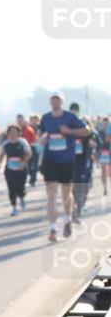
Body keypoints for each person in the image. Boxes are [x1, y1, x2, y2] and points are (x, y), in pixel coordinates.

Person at [39, 91, 91, 241]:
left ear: (62, 102)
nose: (55, 101)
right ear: (50, 102)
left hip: (66, 160)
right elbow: (42, 134)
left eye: (58, 99)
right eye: (53, 99)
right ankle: (53, 228)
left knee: (66, 194)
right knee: (51, 194)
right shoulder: (46, 118)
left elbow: (87, 131)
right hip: (50, 159)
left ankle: (68, 219)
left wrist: (70, 131)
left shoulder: (70, 117)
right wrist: (43, 139)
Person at [0, 124, 32, 215]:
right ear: (8, 133)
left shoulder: (22, 142)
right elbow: (2, 154)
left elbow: (29, 154)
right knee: (11, 188)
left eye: (15, 131)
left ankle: (22, 197)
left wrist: (23, 162)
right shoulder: (6, 143)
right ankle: (14, 208)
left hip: (21, 168)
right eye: (11, 132)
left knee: (20, 187)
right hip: (9, 168)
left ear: (18, 132)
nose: (13, 133)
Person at [72, 117, 97, 224]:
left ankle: (81, 205)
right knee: (74, 187)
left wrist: (94, 146)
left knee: (84, 186)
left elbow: (97, 142)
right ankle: (75, 210)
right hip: (72, 163)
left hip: (86, 162)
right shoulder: (72, 134)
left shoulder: (91, 133)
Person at [17, 114, 39, 187]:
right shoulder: (15, 129)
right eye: (18, 120)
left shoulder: (29, 129)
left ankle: (33, 180)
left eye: (21, 120)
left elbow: (33, 140)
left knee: (34, 165)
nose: (19, 122)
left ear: (23, 120)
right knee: (28, 166)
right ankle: (30, 176)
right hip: (22, 150)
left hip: (32, 148)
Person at [97, 116, 110, 196]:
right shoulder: (99, 132)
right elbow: (94, 138)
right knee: (103, 171)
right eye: (104, 123)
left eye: (106, 123)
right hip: (102, 153)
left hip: (110, 152)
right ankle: (105, 188)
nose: (105, 125)